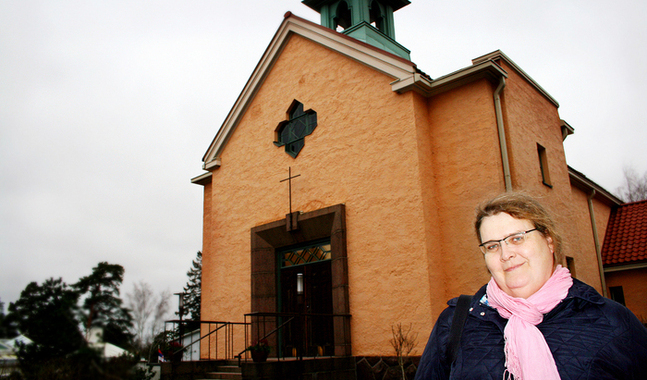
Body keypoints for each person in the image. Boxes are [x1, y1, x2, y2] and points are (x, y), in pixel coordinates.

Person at [415, 192, 647, 380]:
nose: (506, 254)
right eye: (493, 246)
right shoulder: (456, 322)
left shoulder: (613, 322)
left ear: (549, 241)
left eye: (517, 238)